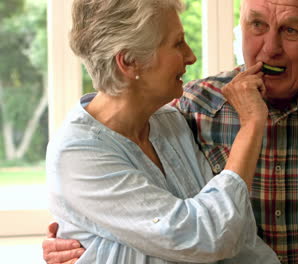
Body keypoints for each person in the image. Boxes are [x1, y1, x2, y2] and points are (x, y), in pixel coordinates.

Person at [43, 0, 298, 263]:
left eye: (291, 30)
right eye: (257, 25)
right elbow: (180, 227)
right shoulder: (192, 107)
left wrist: (93, 236)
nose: (270, 48)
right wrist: (88, 237)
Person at [43, 0, 282, 263]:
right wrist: (250, 125)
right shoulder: (77, 155)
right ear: (129, 61)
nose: (191, 56)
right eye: (178, 43)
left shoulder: (170, 121)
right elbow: (209, 236)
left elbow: (236, 233)